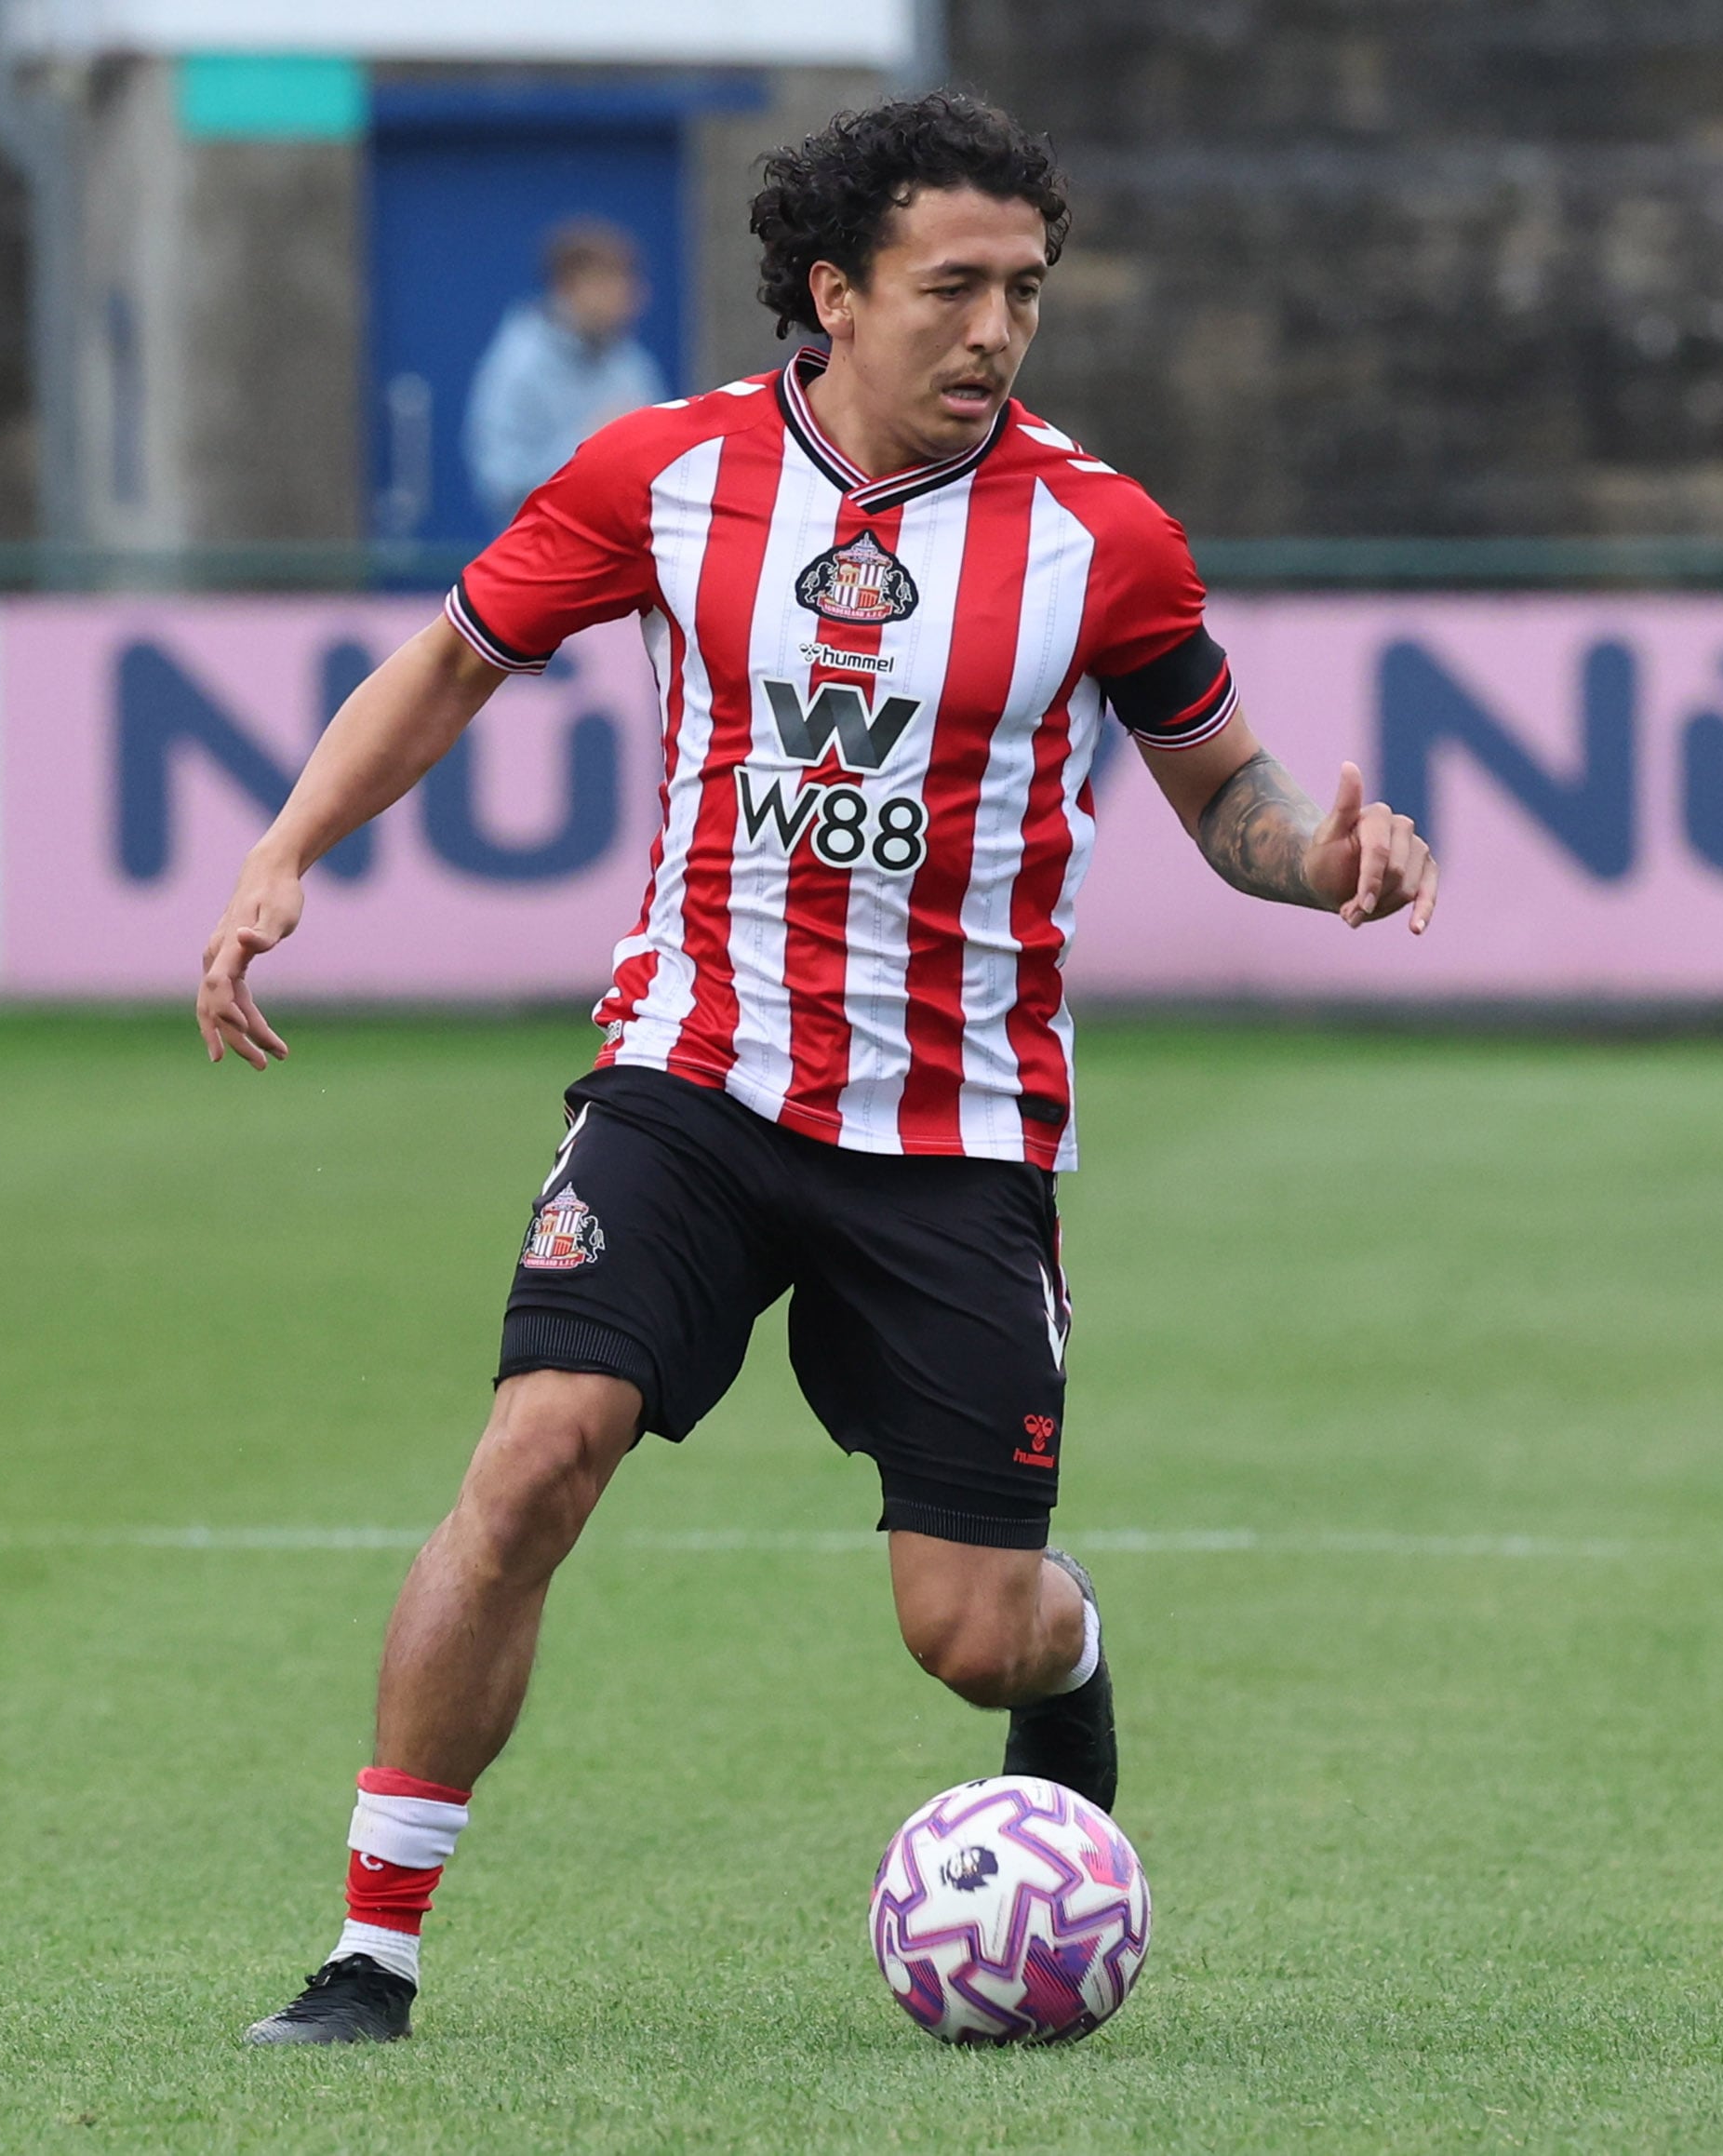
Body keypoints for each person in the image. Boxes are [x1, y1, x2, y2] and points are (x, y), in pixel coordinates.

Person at [208, 90, 1438, 2046]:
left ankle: (1072, 1646)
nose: (995, 330)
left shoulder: (1097, 536)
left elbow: (1229, 796)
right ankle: (371, 1952)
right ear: (831, 289)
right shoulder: (663, 475)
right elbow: (448, 659)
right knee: (533, 1455)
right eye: (952, 288)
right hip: (688, 1078)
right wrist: (284, 851)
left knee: (968, 1633)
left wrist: (1329, 862)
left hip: (951, 1139)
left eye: (1023, 291)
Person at [462, 219, 668, 527]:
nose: (626, 297)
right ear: (567, 287)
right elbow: (500, 481)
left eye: (628, 283)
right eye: (607, 282)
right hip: (543, 556)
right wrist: (592, 444)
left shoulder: (632, 363)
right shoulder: (518, 365)